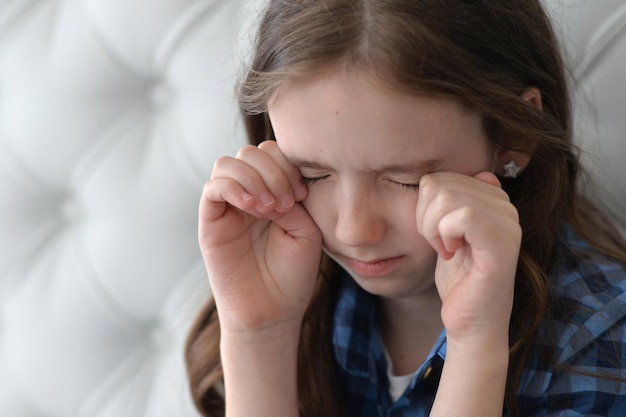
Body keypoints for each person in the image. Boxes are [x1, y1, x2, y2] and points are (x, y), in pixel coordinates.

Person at [185, 1, 626, 416]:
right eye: (312, 174)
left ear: (514, 133)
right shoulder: (292, 293)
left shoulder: (598, 345)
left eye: (406, 180)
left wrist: (475, 346)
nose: (355, 230)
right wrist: (259, 335)